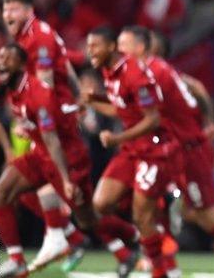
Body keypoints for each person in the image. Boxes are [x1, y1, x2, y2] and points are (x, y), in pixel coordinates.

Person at [0, 44, 138, 278]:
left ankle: (119, 234)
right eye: (0, 57)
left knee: (86, 218)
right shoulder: (10, 87)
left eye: (7, 58)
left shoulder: (36, 93)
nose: (1, 63)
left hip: (60, 157)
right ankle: (59, 240)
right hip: (39, 154)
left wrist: (8, 150)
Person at [117, 25, 214, 258]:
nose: (121, 51)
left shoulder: (158, 73)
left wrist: (209, 122)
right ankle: (161, 252)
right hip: (170, 148)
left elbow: (191, 92)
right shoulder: (150, 74)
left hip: (188, 150)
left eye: (125, 45)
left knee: (200, 214)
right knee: (158, 201)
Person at [1, 0, 89, 270]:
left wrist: (7, 146)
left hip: (37, 127)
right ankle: (65, 238)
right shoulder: (18, 49)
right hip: (32, 126)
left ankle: (61, 238)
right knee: (4, 198)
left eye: (13, 9)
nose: (7, 16)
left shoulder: (35, 38)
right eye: (5, 10)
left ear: (28, 10)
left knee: (2, 199)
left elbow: (46, 82)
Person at [83, 27, 181, 278]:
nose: (89, 51)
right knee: (100, 203)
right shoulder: (108, 70)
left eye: (95, 46)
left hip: (153, 148)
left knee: (142, 212)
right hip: (132, 148)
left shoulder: (136, 74)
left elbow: (153, 119)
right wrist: (93, 100)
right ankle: (140, 238)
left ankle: (159, 268)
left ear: (111, 47)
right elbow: (121, 109)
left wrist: (117, 137)